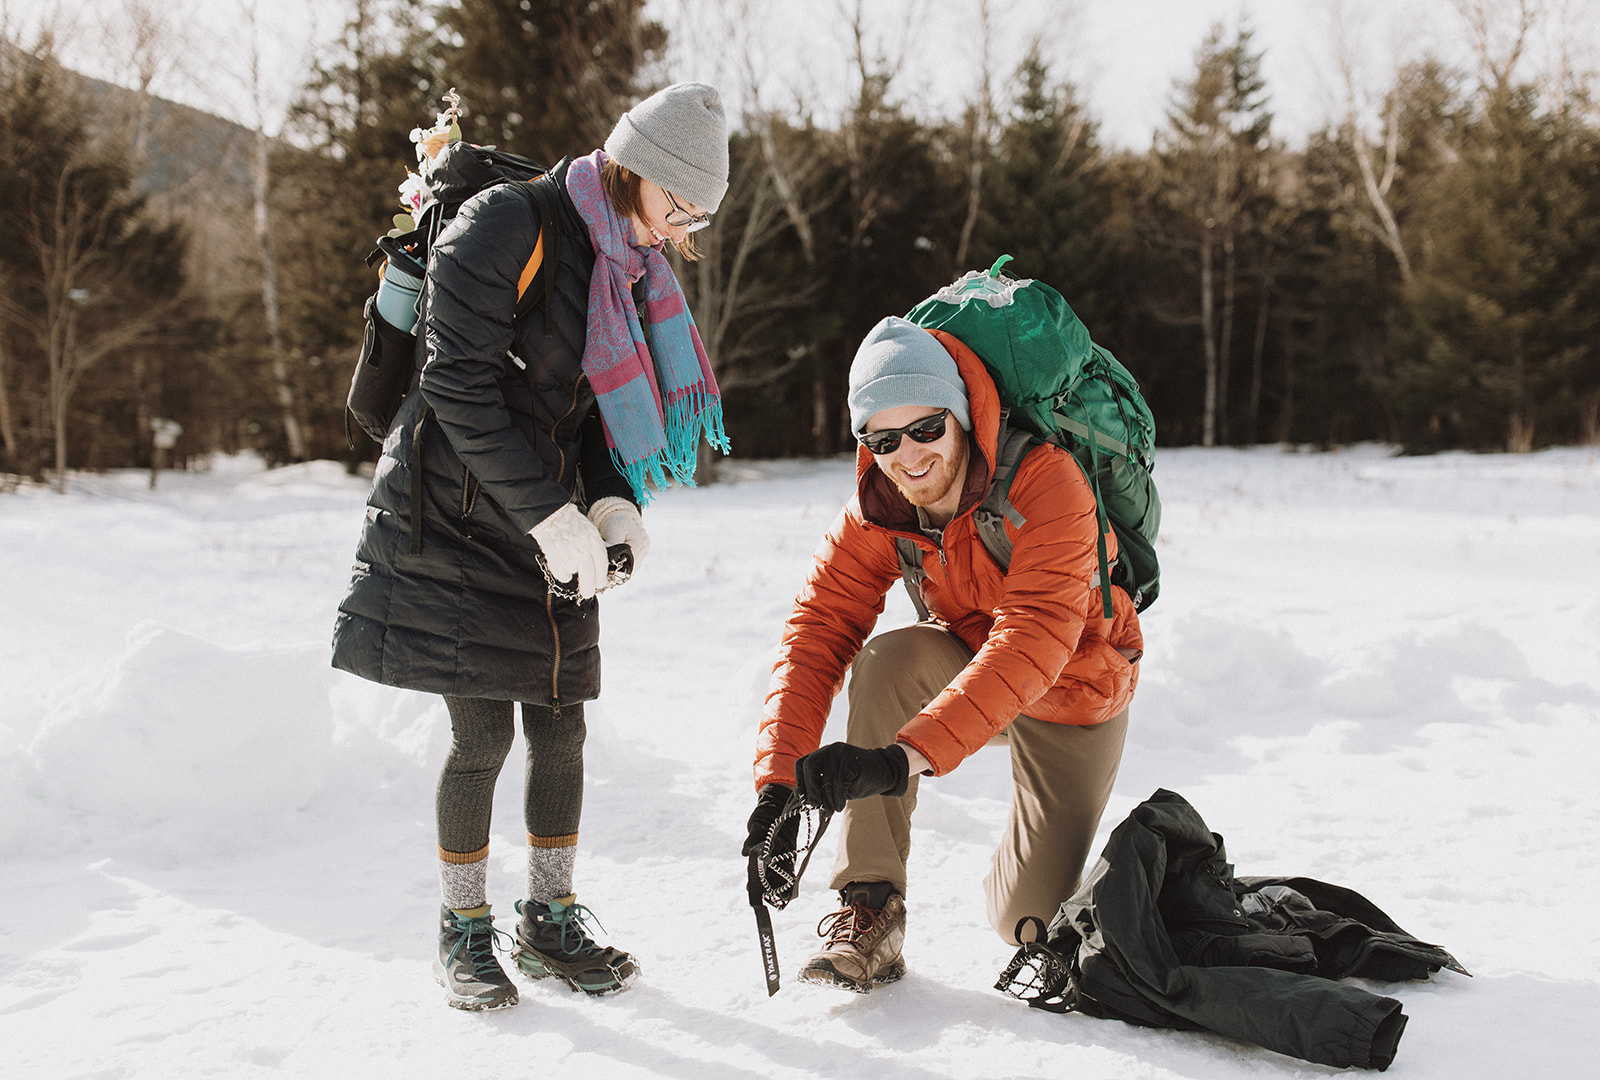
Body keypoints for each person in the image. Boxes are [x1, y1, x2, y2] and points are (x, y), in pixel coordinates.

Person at [332, 82, 730, 1011]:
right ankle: (461, 929)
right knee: (481, 734)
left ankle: (548, 921)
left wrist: (615, 505)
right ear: (635, 169)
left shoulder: (622, 262)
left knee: (562, 729)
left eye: (700, 214)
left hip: (545, 511)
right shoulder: (506, 226)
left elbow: (593, 405)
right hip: (456, 515)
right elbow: (458, 387)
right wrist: (549, 518)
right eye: (679, 203)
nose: (682, 229)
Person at [743, 315, 1142, 992]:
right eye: (884, 438)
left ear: (962, 417)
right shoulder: (880, 506)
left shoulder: (1048, 484)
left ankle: (1077, 874)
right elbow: (817, 631)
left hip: (1072, 689)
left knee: (1027, 919)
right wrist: (777, 787)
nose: (910, 455)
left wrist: (898, 760)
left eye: (928, 429)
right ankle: (870, 907)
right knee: (887, 661)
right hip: (965, 663)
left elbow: (1034, 637)